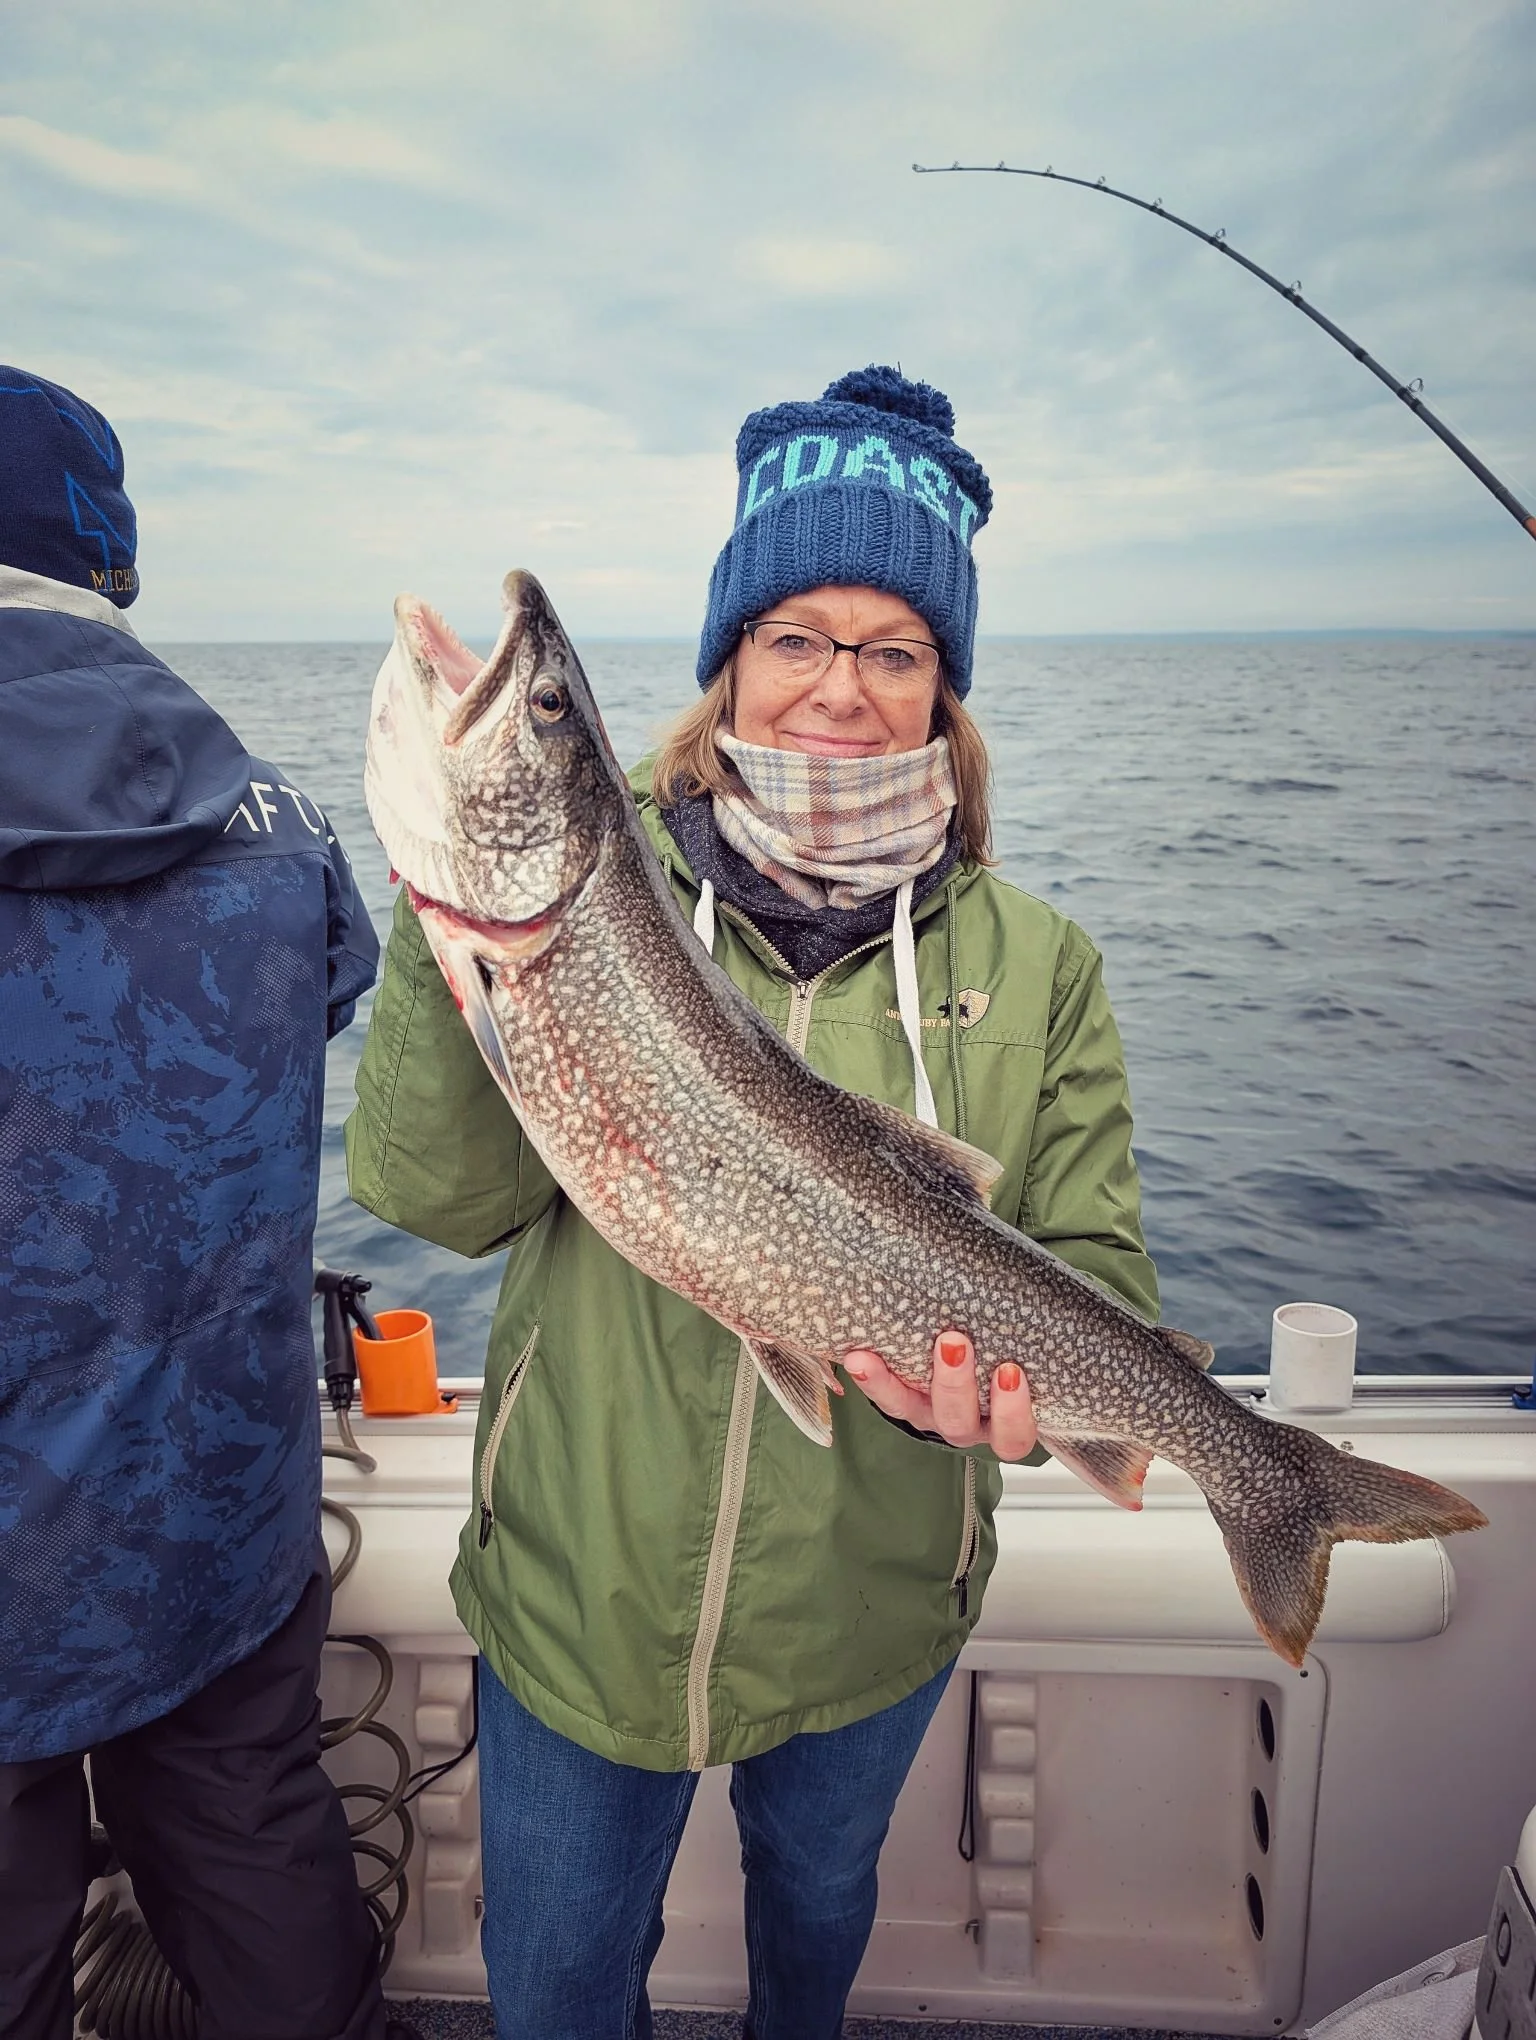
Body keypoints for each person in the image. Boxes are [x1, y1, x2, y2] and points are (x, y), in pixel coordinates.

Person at [347, 364, 1159, 2040]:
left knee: (817, 1929)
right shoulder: (602, 887)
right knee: (560, 1988)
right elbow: (430, 1195)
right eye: (797, 635)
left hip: (871, 1604)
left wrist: (1000, 1411)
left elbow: (1093, 1273)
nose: (840, 689)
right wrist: (460, 957)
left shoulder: (1038, 967)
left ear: (946, 687)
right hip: (582, 1588)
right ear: (731, 662)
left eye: (892, 648)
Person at [0, 368, 389, 2040]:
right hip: (215, 1498)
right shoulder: (285, 828)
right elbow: (328, 996)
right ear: (115, 564)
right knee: (251, 1852)